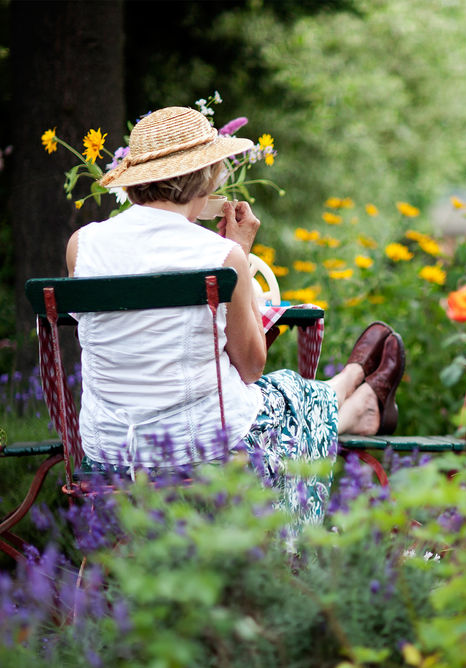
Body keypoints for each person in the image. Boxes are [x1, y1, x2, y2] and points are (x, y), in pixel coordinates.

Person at [65, 106, 404, 527]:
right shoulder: (220, 256)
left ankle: (354, 393)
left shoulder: (82, 244)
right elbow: (249, 367)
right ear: (206, 179)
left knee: (284, 394)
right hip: (200, 446)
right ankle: (352, 396)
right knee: (288, 390)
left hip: (110, 449)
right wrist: (238, 256)